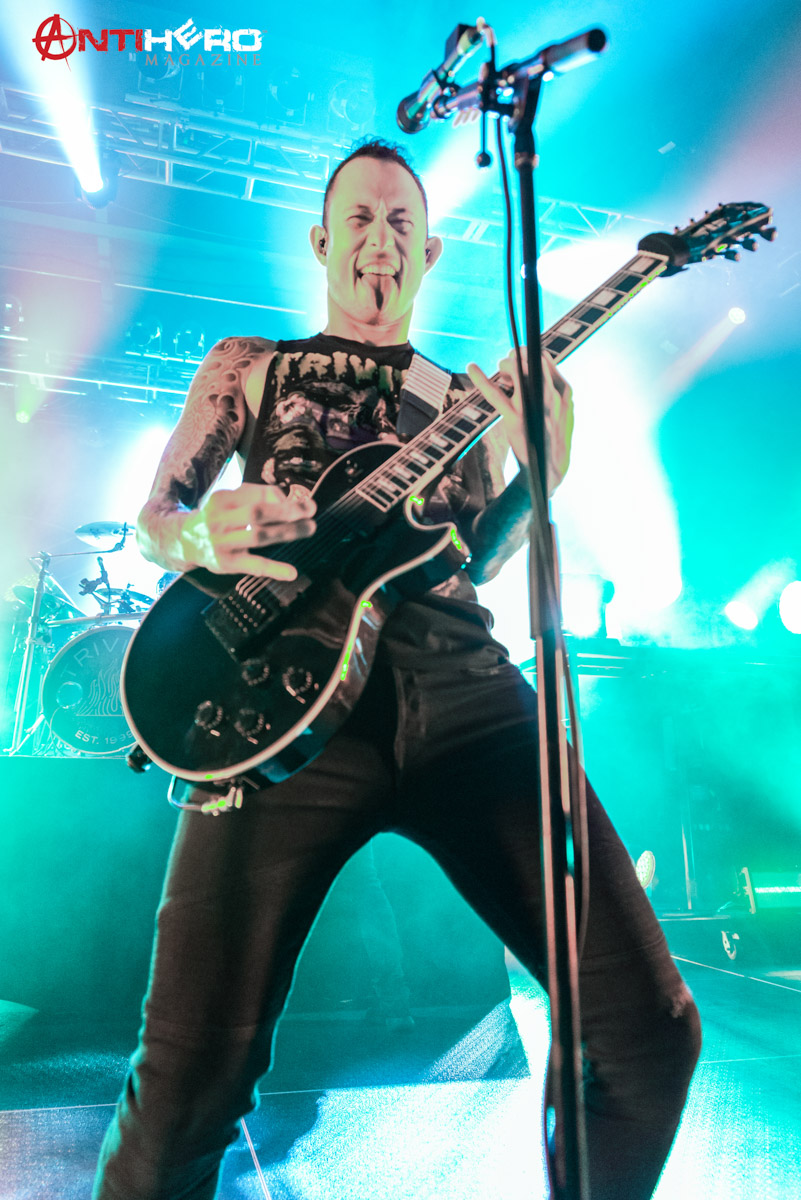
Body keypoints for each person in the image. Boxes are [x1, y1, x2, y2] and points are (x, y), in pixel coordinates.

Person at [93, 139, 701, 1200]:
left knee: (648, 1033)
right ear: (322, 242)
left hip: (464, 691)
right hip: (279, 697)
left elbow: (483, 554)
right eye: (361, 220)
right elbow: (158, 516)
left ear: (428, 256)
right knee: (186, 1087)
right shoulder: (250, 365)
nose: (380, 241)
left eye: (402, 225)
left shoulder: (463, 396)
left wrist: (542, 475)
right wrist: (197, 537)